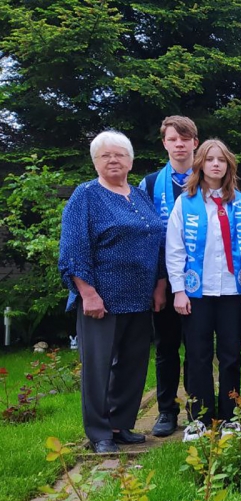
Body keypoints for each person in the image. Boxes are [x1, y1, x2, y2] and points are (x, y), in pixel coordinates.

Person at [59, 130, 164, 453]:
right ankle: (99, 433)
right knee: (98, 366)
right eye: (105, 155)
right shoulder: (86, 195)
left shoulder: (140, 195)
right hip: (101, 299)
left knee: (132, 365)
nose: (113, 160)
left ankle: (121, 425)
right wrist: (87, 293)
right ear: (95, 162)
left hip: (139, 298)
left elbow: (157, 242)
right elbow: (74, 248)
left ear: (131, 161)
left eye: (119, 154)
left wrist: (158, 285)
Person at [166, 139, 241, 437]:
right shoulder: (185, 202)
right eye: (210, 159)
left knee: (231, 353)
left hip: (231, 290)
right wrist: (178, 289)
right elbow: (175, 248)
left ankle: (230, 416)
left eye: (222, 160)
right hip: (196, 293)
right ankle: (200, 418)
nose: (216, 164)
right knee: (198, 355)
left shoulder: (238, 202)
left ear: (229, 166)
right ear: (200, 163)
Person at [140, 115, 199, 437]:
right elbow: (146, 236)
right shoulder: (149, 184)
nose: (179, 144)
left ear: (195, 143)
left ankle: (196, 407)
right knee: (165, 348)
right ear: (164, 143)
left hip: (201, 282)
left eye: (184, 138)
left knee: (197, 348)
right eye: (172, 139)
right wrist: (159, 283)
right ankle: (166, 411)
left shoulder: (208, 181)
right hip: (163, 281)